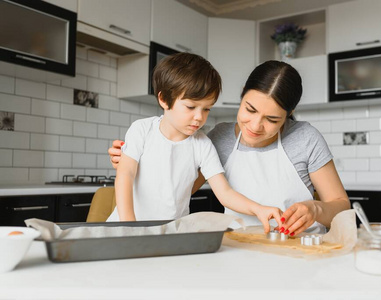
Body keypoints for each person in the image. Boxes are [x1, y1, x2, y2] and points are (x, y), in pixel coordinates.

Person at [109, 60, 350, 236]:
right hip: (239, 246)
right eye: (250, 110)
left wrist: (315, 209)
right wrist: (133, 162)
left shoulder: (305, 138)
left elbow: (341, 207)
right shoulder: (217, 137)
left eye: (273, 120)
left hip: (302, 247)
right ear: (241, 97)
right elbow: (178, 187)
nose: (255, 126)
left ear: (289, 115)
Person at [107, 52, 282, 233]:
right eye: (191, 107)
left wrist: (259, 209)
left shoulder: (202, 145)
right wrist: (129, 226)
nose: (199, 117)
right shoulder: (142, 130)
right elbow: (125, 175)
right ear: (164, 99)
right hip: (123, 230)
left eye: (206, 109)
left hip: (170, 234)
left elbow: (225, 193)